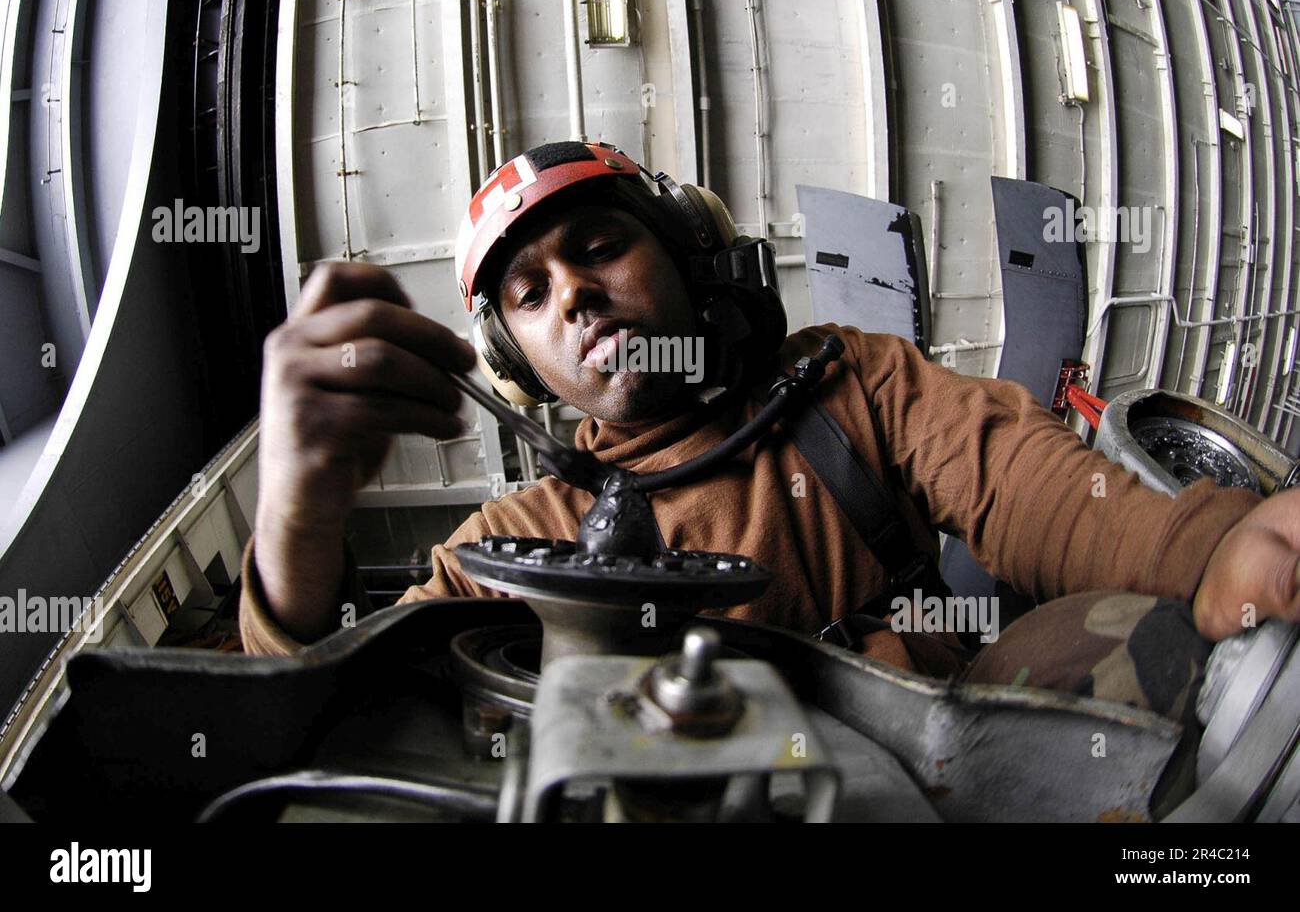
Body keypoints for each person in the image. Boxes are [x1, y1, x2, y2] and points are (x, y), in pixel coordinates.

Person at [239, 140, 1299, 727]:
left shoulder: (842, 381)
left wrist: (1203, 551)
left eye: (599, 247)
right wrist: (296, 517)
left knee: (1119, 635)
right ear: (517, 365)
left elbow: (1025, 484)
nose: (574, 296)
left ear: (687, 252)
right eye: (530, 292)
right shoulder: (520, 537)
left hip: (926, 767)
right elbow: (332, 700)